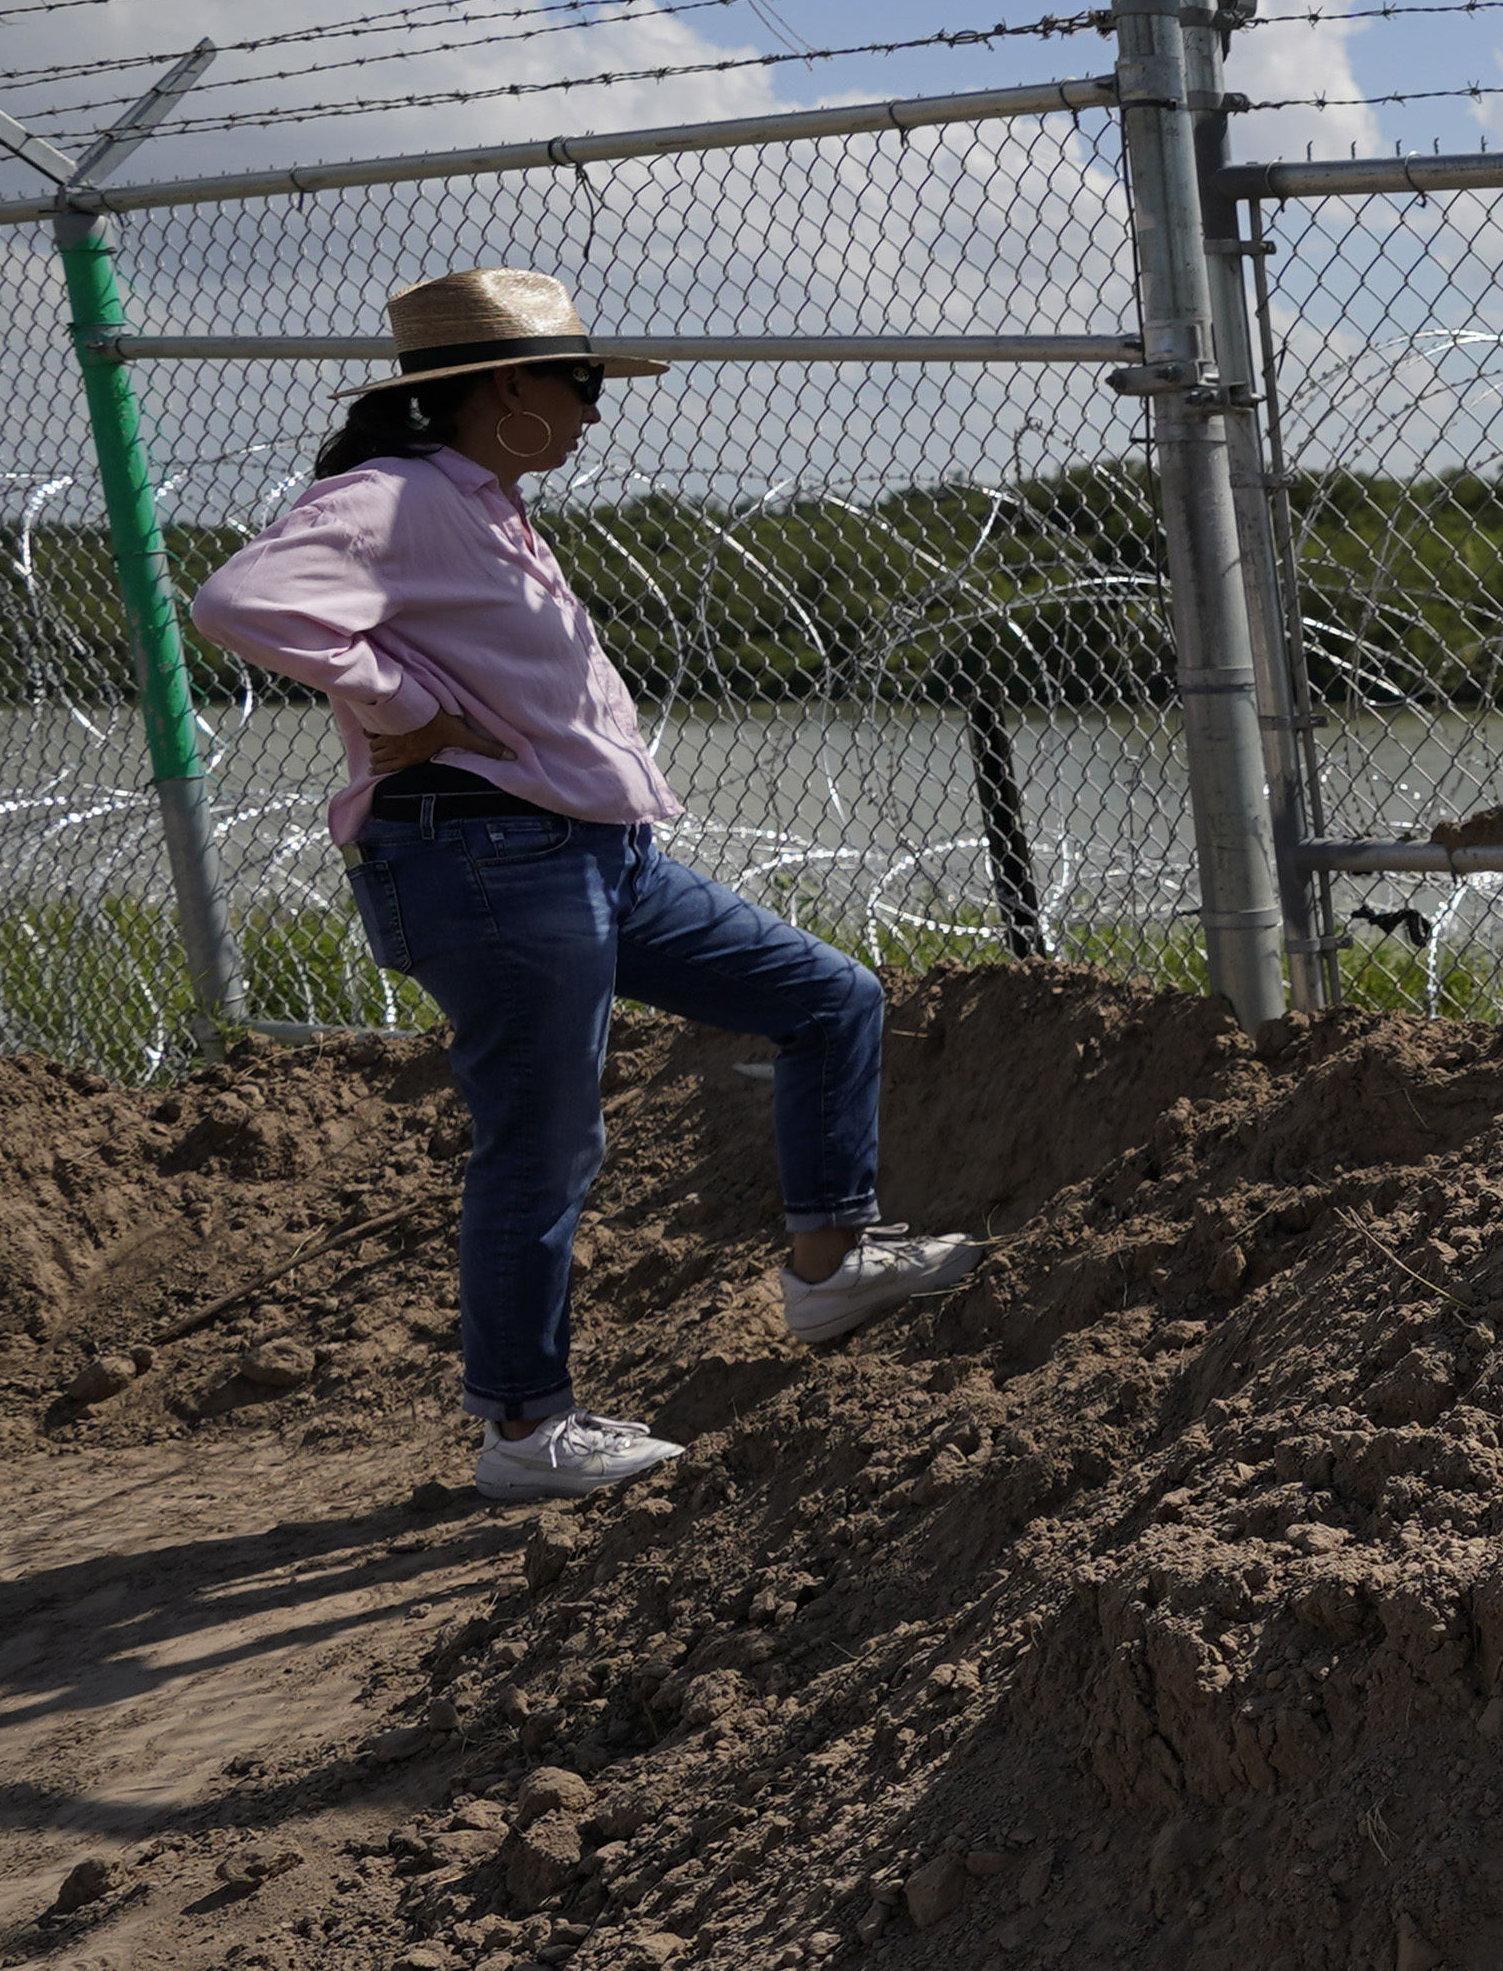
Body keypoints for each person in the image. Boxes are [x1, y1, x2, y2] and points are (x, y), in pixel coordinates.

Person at [183, 266, 983, 1499]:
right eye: (582, 383)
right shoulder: (394, 495)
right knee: (543, 1141)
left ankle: (829, 1267)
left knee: (830, 998)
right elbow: (240, 602)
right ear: (505, 385)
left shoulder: (479, 502)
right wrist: (410, 707)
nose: (595, 411)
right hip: (486, 859)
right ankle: (525, 1430)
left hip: (593, 853)